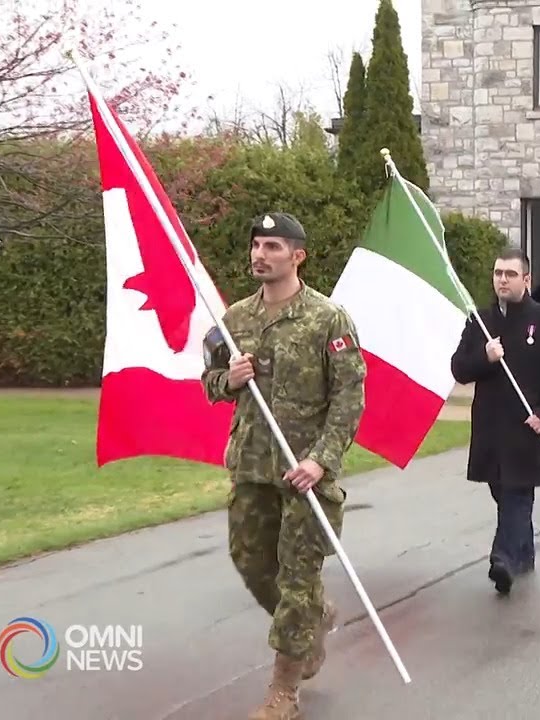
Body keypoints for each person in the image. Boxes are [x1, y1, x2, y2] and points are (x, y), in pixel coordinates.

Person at [200, 212, 366, 720]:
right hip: (252, 465)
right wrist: (228, 380)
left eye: (272, 246)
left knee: (296, 579)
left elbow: (349, 395)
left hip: (304, 474)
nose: (260, 254)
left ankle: (283, 692)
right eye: (256, 245)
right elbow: (208, 382)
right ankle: (312, 618)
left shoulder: (328, 318)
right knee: (251, 563)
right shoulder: (235, 320)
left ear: (298, 256)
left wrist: (321, 460)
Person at [449, 248, 540, 595]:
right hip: (491, 429)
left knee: (517, 493)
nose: (502, 280)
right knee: (504, 494)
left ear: (526, 279)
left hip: (528, 428)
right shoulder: (480, 321)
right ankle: (523, 552)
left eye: (510, 274)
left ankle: (502, 559)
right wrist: (485, 356)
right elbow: (459, 368)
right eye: (498, 273)